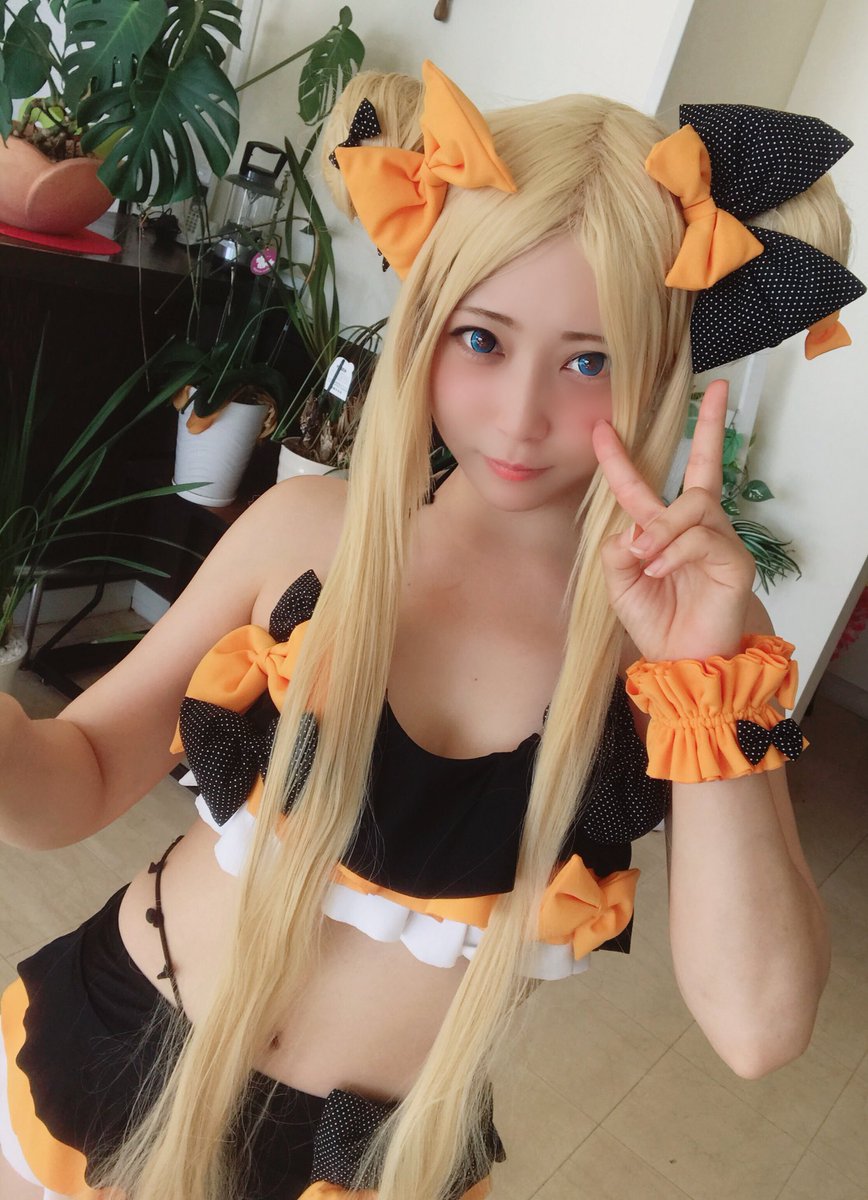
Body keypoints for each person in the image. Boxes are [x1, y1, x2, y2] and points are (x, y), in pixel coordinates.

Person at [0, 61, 864, 1200]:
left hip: (375, 1164)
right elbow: (79, 776)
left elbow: (758, 1027)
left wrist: (702, 668)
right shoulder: (305, 531)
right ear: (427, 322)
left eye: (591, 360)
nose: (520, 416)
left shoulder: (688, 642)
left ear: (663, 365)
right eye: (482, 339)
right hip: (102, 1046)